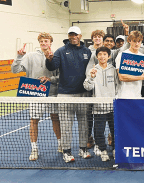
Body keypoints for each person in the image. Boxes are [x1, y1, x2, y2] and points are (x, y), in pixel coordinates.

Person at [11, 32, 61, 161]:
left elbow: (61, 77)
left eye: (46, 41)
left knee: (56, 119)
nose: (44, 43)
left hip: (52, 93)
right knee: (34, 120)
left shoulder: (56, 56)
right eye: (42, 41)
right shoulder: (29, 56)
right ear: (39, 43)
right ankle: (34, 149)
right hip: (36, 94)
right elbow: (15, 70)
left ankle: (61, 145)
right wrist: (18, 57)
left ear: (50, 42)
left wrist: (50, 79)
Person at [45, 26, 92, 163]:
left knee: (84, 124)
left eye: (75, 34)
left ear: (80, 36)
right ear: (68, 36)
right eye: (71, 34)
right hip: (65, 94)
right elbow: (52, 66)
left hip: (83, 94)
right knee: (66, 125)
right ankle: (67, 152)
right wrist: (49, 59)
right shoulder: (60, 51)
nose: (73, 37)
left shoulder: (87, 51)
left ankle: (83, 149)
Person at [83, 47, 117, 161]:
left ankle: (115, 149)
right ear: (97, 57)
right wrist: (92, 77)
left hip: (113, 107)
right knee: (99, 132)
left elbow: (118, 87)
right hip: (98, 108)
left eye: (105, 54)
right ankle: (103, 151)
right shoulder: (92, 70)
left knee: (115, 131)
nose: (102, 56)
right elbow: (87, 87)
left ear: (109, 56)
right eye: (100, 54)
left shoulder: (113, 69)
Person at [115, 31, 144, 98]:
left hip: (137, 95)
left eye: (139, 41)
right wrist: (142, 77)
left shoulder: (142, 56)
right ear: (129, 41)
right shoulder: (122, 55)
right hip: (123, 96)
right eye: (134, 41)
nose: (136, 44)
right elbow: (121, 77)